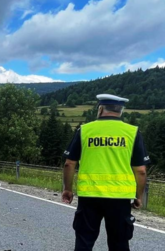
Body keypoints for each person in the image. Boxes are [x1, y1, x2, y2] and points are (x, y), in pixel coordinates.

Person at [62, 94, 150, 251]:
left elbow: (69, 163)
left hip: (89, 196)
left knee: (84, 242)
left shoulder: (85, 130)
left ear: (100, 109)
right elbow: (141, 171)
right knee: (119, 244)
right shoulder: (132, 132)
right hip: (120, 198)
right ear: (121, 111)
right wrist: (138, 196)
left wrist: (67, 189)